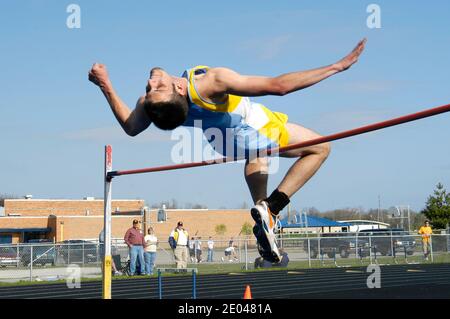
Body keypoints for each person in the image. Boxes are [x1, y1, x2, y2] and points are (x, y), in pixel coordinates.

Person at [89, 38, 366, 263]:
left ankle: (265, 222)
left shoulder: (155, 105)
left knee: (256, 157)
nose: (151, 83)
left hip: (222, 141)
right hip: (252, 127)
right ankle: (273, 208)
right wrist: (336, 67)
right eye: (156, 87)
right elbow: (278, 87)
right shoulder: (211, 82)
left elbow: (131, 127)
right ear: (176, 87)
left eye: (150, 88)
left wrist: (105, 84)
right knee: (320, 148)